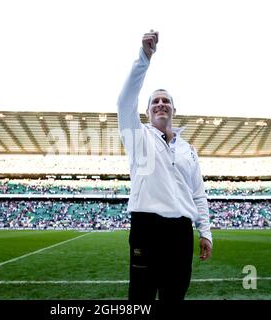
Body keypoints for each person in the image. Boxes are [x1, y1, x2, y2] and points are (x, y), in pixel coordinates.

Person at [117, 30, 212, 301]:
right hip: (146, 228)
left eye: (165, 101)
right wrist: (144, 57)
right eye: (155, 101)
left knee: (175, 296)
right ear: (147, 112)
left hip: (181, 232)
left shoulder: (188, 150)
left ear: (173, 109)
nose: (161, 104)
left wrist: (205, 232)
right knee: (140, 298)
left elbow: (198, 194)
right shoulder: (137, 137)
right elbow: (124, 101)